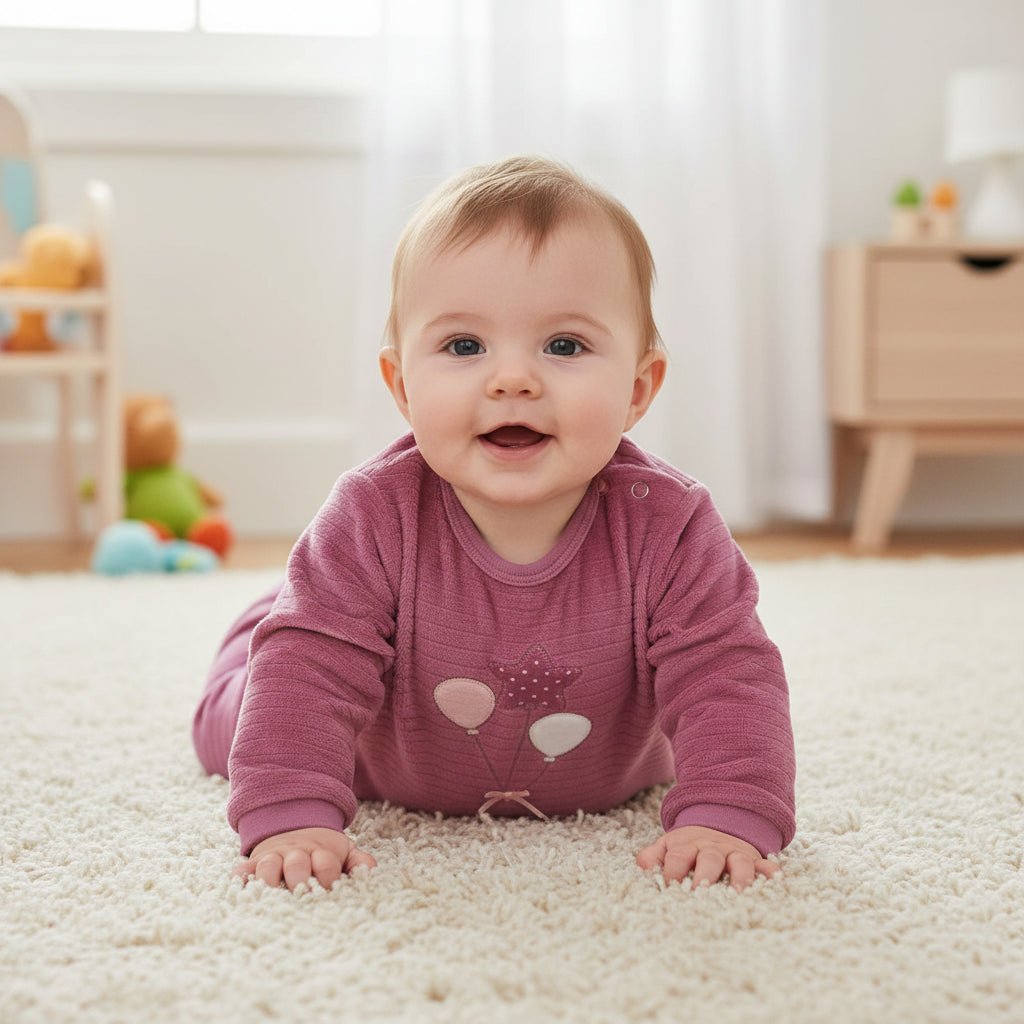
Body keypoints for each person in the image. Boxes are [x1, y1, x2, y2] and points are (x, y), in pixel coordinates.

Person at [192, 155, 797, 895]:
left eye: (564, 346)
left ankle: (291, 605)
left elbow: (727, 676)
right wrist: (288, 814)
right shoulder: (372, 515)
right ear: (403, 386)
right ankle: (263, 625)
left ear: (638, 389)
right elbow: (310, 673)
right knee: (247, 714)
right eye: (464, 346)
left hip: (610, 769)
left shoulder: (671, 528)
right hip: (379, 757)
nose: (512, 378)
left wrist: (730, 814)